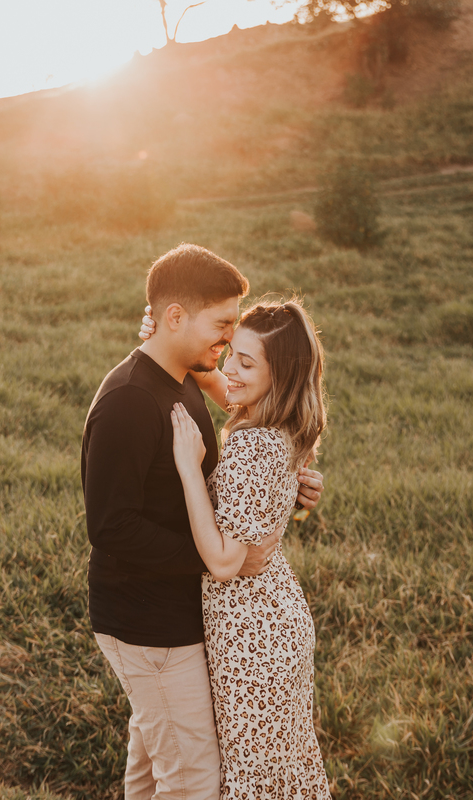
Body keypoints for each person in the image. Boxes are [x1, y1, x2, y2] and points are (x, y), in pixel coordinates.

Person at [81, 243, 324, 800]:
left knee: (151, 763)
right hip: (149, 623)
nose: (226, 340)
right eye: (221, 327)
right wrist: (226, 561)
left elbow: (254, 434)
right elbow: (111, 528)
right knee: (193, 782)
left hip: (181, 612)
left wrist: (287, 486)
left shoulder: (186, 375)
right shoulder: (126, 402)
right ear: (174, 319)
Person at [168, 299, 331, 800]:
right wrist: (164, 336)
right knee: (284, 775)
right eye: (230, 352)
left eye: (246, 361)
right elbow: (223, 385)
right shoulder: (278, 423)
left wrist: (189, 467)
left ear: (278, 375)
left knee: (255, 781)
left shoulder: (252, 448)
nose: (228, 369)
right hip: (273, 624)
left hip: (251, 641)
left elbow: (221, 562)